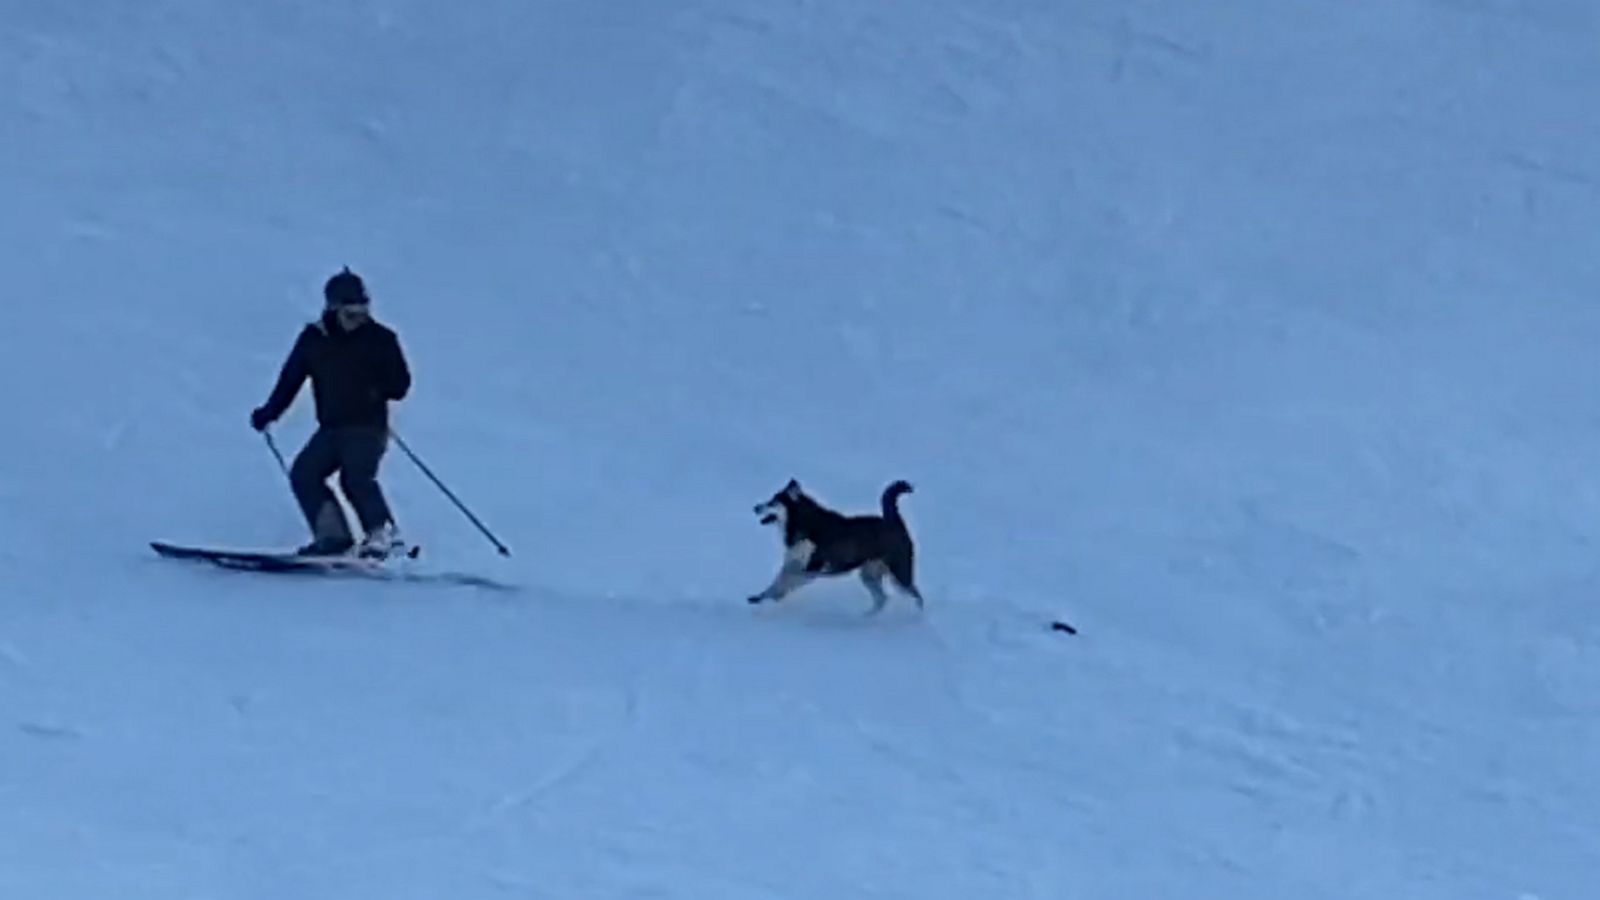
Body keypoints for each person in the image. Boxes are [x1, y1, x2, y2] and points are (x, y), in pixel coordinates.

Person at [250, 267, 412, 557]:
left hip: (367, 426)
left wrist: (377, 386)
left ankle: (383, 535)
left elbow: (400, 386)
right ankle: (334, 537)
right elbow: (291, 379)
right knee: (305, 474)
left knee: (356, 478)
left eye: (363, 312)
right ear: (332, 309)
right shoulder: (314, 339)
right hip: (331, 427)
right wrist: (270, 412)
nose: (358, 320)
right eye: (351, 314)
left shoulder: (381, 339)